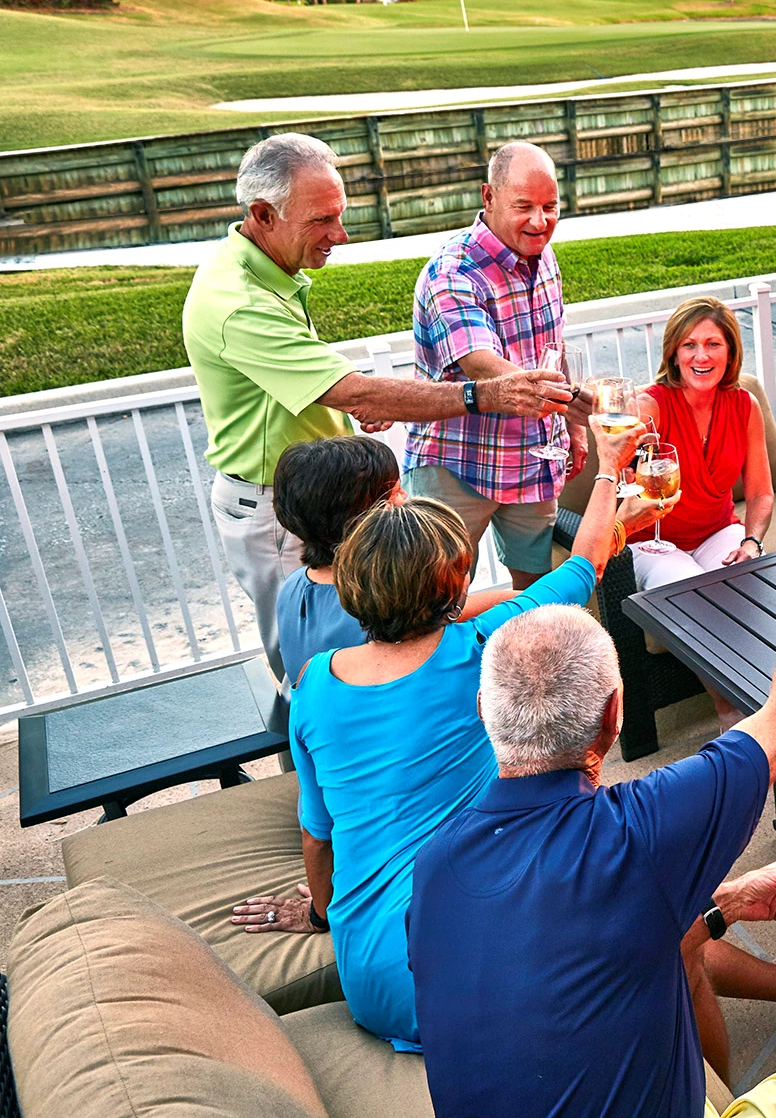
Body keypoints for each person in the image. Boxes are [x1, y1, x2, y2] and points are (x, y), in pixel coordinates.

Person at [407, 514, 776, 1118]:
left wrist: (727, 904)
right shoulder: (638, 833)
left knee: (684, 942)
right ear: (615, 719)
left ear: (485, 709)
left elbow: (576, 938)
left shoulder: (433, 864)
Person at [226, 419, 646, 1051]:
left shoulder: (310, 666)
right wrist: (610, 467)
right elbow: (584, 563)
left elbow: (318, 840)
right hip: (462, 977)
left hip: (367, 981)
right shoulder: (473, 648)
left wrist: (318, 913)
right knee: (649, 916)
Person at [183, 133, 573, 677]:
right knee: (310, 668)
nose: (339, 235)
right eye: (322, 220)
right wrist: (486, 395)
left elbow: (320, 385)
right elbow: (357, 388)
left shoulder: (267, 270)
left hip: (327, 498)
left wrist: (353, 406)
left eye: (339, 216)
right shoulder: (237, 301)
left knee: (373, 641)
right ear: (263, 214)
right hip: (277, 509)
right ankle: (316, 757)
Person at [405, 143, 590, 589]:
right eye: (524, 206)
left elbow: (553, 346)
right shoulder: (452, 271)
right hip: (455, 465)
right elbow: (481, 364)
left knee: (535, 592)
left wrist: (574, 428)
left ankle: (523, 662)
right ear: (488, 197)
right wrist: (574, 406)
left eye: (550, 206)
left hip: (531, 458)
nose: (540, 221)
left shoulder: (545, 257)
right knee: (436, 600)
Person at [272, 435, 516, 689]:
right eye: (395, 493)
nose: (406, 496)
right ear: (366, 520)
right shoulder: (374, 608)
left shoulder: (293, 586)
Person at [622, 297, 776, 589]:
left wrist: (752, 541)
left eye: (713, 344)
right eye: (689, 345)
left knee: (754, 586)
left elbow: (759, 493)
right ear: (674, 355)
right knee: (691, 596)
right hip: (651, 543)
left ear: (730, 353)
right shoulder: (650, 407)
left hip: (718, 533)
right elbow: (617, 477)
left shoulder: (745, 405)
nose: (701, 356)